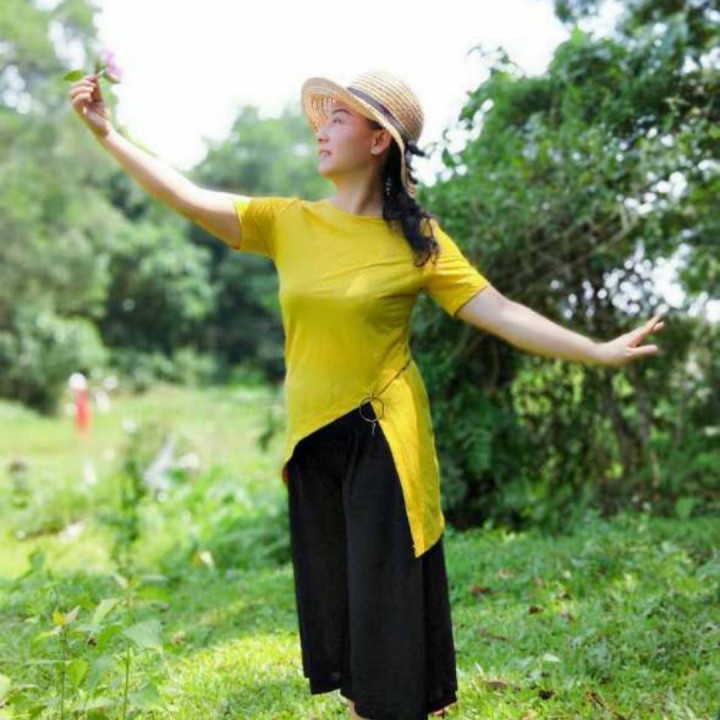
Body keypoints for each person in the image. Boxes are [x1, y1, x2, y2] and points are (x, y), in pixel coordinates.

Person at [69, 69, 665, 720]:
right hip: (313, 445)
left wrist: (596, 350)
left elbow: (499, 310)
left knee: (386, 614)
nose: (321, 132)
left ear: (380, 141)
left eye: (339, 120)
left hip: (382, 436)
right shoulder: (287, 222)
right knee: (344, 615)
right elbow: (185, 196)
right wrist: (107, 134)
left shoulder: (418, 241)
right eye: (323, 120)